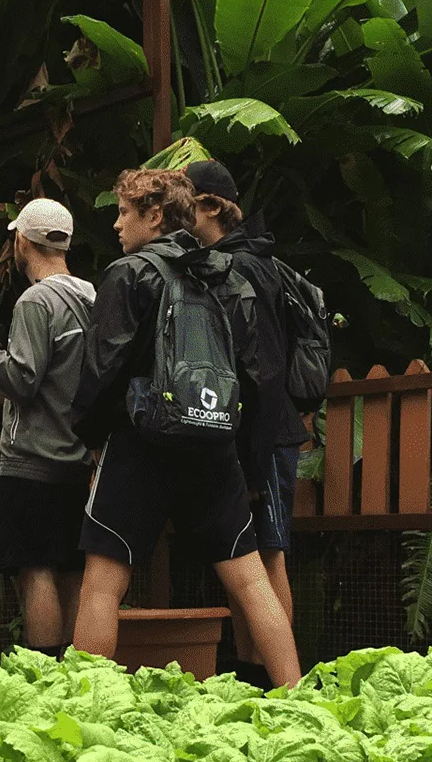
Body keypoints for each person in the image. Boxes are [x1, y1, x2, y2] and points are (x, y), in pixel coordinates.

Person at [70, 168, 301, 686]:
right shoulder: (228, 276)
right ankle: (297, 697)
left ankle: (85, 704)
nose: (115, 225)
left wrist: (90, 441)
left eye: (124, 212)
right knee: (249, 578)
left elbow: (102, 370)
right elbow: (259, 377)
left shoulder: (129, 273)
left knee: (104, 583)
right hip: (214, 445)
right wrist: (245, 458)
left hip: (140, 443)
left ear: (154, 215)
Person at [0, 198, 95, 656]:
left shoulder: (36, 300)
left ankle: (44, 673)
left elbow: (22, 379)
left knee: (36, 569)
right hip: (82, 460)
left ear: (20, 240)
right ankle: (73, 675)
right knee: (70, 567)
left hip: (32, 461)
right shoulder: (93, 296)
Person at [186, 159, 305, 688]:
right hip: (241, 429)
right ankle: (250, 675)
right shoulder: (219, 262)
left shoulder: (248, 266)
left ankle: (283, 683)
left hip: (266, 432)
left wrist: (255, 451)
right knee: (244, 553)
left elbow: (265, 366)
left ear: (211, 206)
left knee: (270, 552)